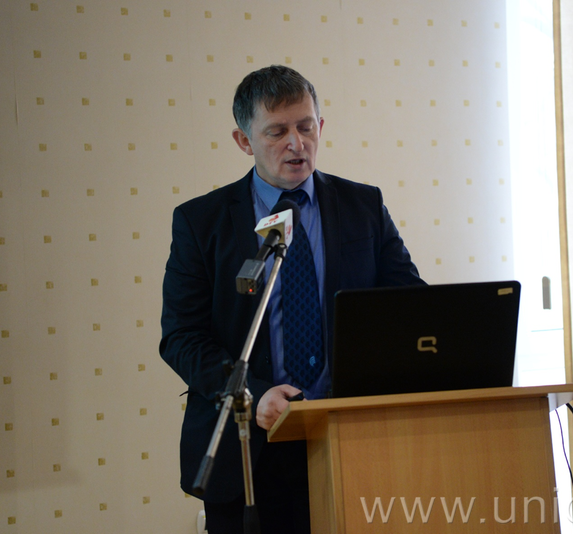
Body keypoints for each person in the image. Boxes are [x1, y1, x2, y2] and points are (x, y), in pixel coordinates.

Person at [160, 65, 425, 533]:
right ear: (244, 141)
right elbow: (181, 338)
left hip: (350, 439)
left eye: (305, 127)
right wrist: (252, 392)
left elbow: (410, 308)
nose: (296, 143)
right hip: (249, 450)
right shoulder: (202, 223)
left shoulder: (363, 207)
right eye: (277, 131)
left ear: (320, 126)